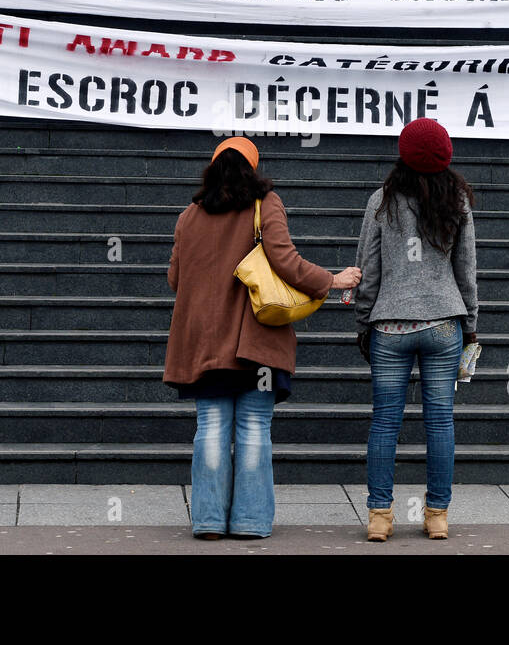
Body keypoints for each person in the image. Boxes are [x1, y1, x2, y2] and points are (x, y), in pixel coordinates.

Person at [165, 135, 362, 540]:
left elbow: (175, 278)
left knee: (211, 427)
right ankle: (251, 522)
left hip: (203, 343)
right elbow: (285, 261)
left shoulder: (190, 215)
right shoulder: (264, 203)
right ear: (252, 168)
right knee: (253, 425)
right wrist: (332, 280)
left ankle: (207, 521)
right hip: (254, 343)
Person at [353, 118, 478, 542]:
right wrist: (471, 325)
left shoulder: (381, 201)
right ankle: (437, 515)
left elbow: (368, 270)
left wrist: (363, 319)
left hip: (390, 324)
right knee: (440, 422)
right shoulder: (457, 201)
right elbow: (466, 270)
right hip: (444, 323)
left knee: (385, 422)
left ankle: (379, 517)